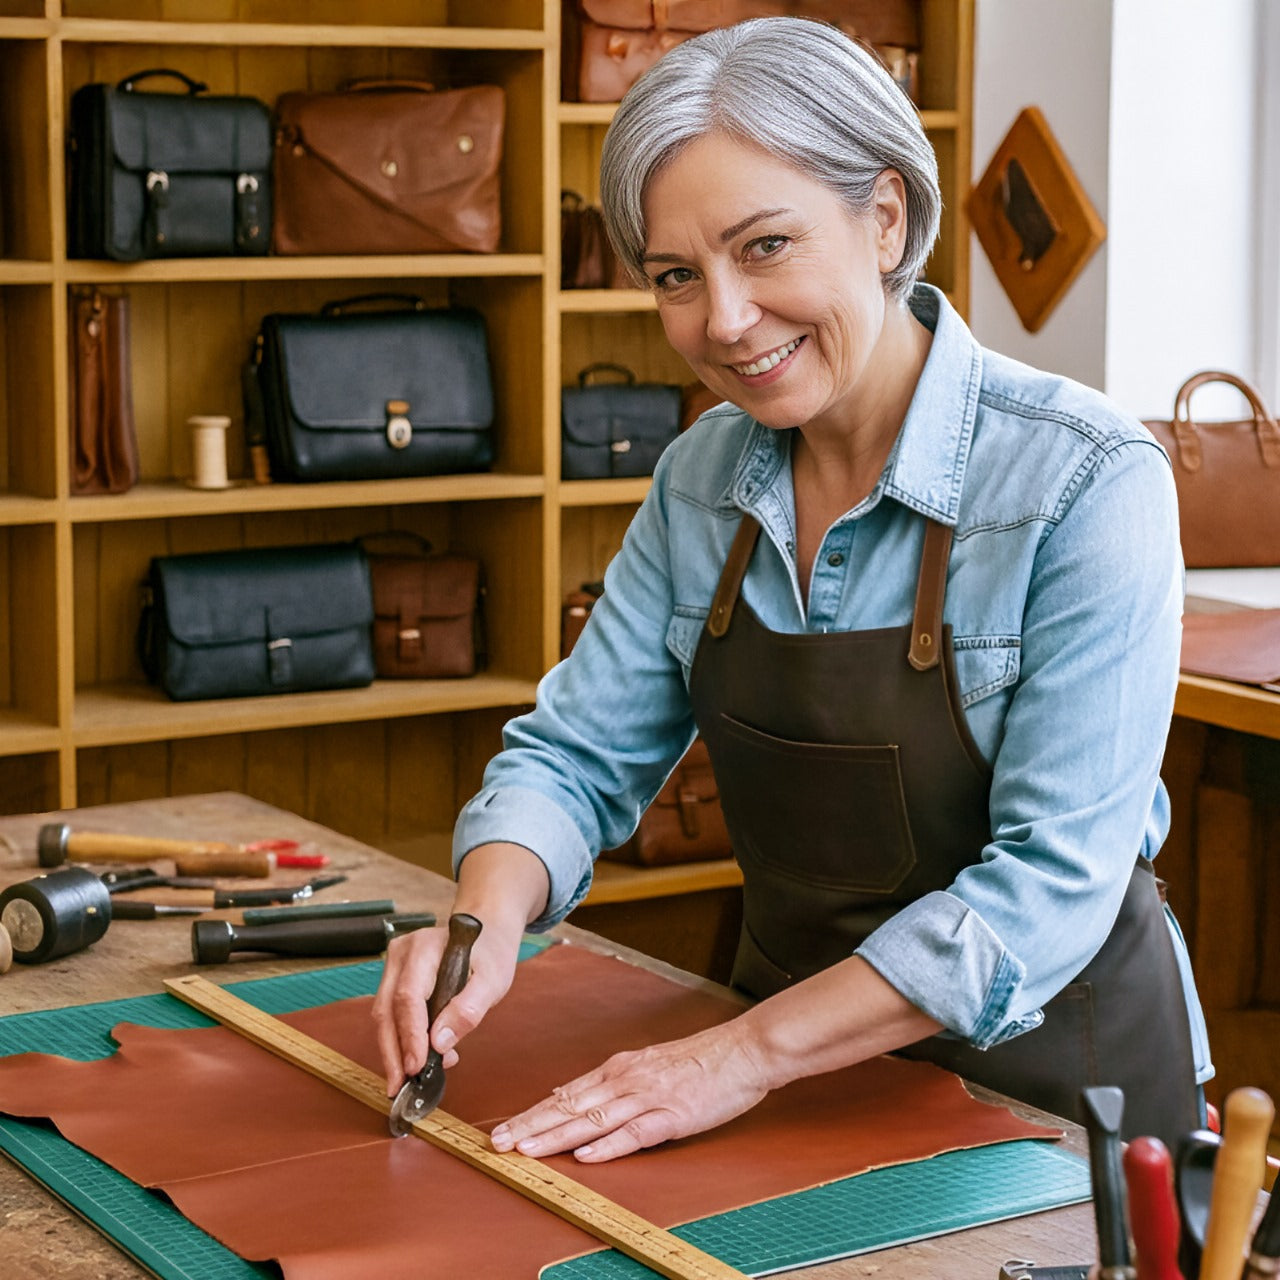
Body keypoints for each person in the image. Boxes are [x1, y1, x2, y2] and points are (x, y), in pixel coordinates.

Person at [374, 15, 1211, 1159]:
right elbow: (574, 757)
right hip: (784, 1089)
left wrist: (740, 1054)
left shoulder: (1085, 478)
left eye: (763, 246)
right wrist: (482, 920)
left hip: (1054, 1108)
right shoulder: (698, 479)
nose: (721, 319)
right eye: (676, 275)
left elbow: (1050, 886)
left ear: (881, 218)